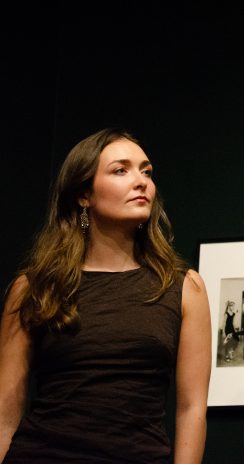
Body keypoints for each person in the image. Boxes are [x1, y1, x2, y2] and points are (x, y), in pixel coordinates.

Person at [0, 129, 212, 463]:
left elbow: (191, 409)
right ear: (84, 194)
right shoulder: (34, 287)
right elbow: (5, 410)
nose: (140, 181)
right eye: (121, 170)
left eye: (146, 171)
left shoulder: (184, 287)